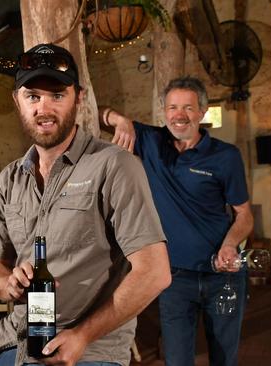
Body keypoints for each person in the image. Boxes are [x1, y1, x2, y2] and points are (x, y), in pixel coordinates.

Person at [0, 43, 171, 366]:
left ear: (79, 98)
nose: (44, 108)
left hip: (89, 347)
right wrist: (8, 284)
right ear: (17, 101)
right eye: (33, 96)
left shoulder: (115, 166)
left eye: (57, 95)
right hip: (16, 334)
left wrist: (82, 335)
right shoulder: (8, 179)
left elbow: (155, 273)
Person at [101, 76, 254, 366]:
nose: (179, 115)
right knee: (177, 360)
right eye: (172, 107)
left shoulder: (225, 156)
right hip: (173, 278)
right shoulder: (149, 141)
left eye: (187, 107)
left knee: (224, 359)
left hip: (222, 277)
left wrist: (230, 245)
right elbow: (99, 111)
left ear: (202, 112)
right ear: (164, 111)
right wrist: (120, 120)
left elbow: (244, 214)